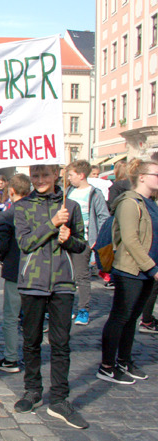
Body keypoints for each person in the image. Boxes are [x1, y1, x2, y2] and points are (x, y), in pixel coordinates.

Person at [13, 164, 88, 429]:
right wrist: (52, 224)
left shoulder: (72, 206)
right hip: (32, 282)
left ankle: (59, 398)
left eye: (46, 174)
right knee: (31, 341)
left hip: (62, 283)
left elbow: (81, 245)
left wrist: (69, 239)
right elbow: (25, 243)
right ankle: (32, 391)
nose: (40, 179)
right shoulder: (22, 207)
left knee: (61, 343)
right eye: (35, 175)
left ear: (57, 175)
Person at [98, 159, 158, 385]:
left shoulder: (151, 202)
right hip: (130, 269)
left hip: (148, 270)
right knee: (120, 317)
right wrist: (152, 268)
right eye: (156, 174)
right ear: (141, 177)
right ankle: (106, 366)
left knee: (132, 318)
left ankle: (123, 360)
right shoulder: (129, 203)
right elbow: (131, 240)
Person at [0, 173, 31, 373]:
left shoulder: (7, 215)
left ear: (12, 191)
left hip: (15, 270)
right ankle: (31, 355)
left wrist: (1, 257)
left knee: (11, 315)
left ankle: (11, 358)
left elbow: (4, 245)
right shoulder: (37, 211)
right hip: (35, 270)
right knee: (31, 316)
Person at [65, 160, 110, 326]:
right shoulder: (68, 191)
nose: (69, 178)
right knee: (66, 276)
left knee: (82, 277)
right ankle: (66, 307)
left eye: (71, 175)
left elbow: (103, 217)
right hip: (66, 240)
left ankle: (83, 309)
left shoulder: (94, 193)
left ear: (81, 175)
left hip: (84, 241)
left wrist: (97, 240)